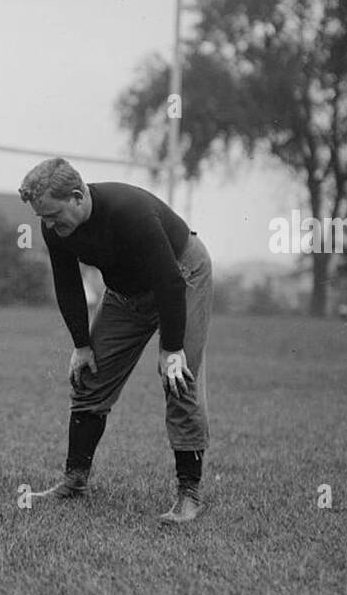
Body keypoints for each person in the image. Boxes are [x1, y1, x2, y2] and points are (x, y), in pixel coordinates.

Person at [18, 158, 212, 523]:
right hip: (126, 294)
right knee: (90, 376)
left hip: (182, 277)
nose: (48, 225)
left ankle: (189, 495)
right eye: (42, 218)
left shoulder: (129, 212)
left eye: (54, 216)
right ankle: (74, 481)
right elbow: (68, 283)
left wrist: (171, 350)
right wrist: (81, 345)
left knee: (178, 380)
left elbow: (170, 281)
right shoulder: (55, 228)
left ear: (77, 197)